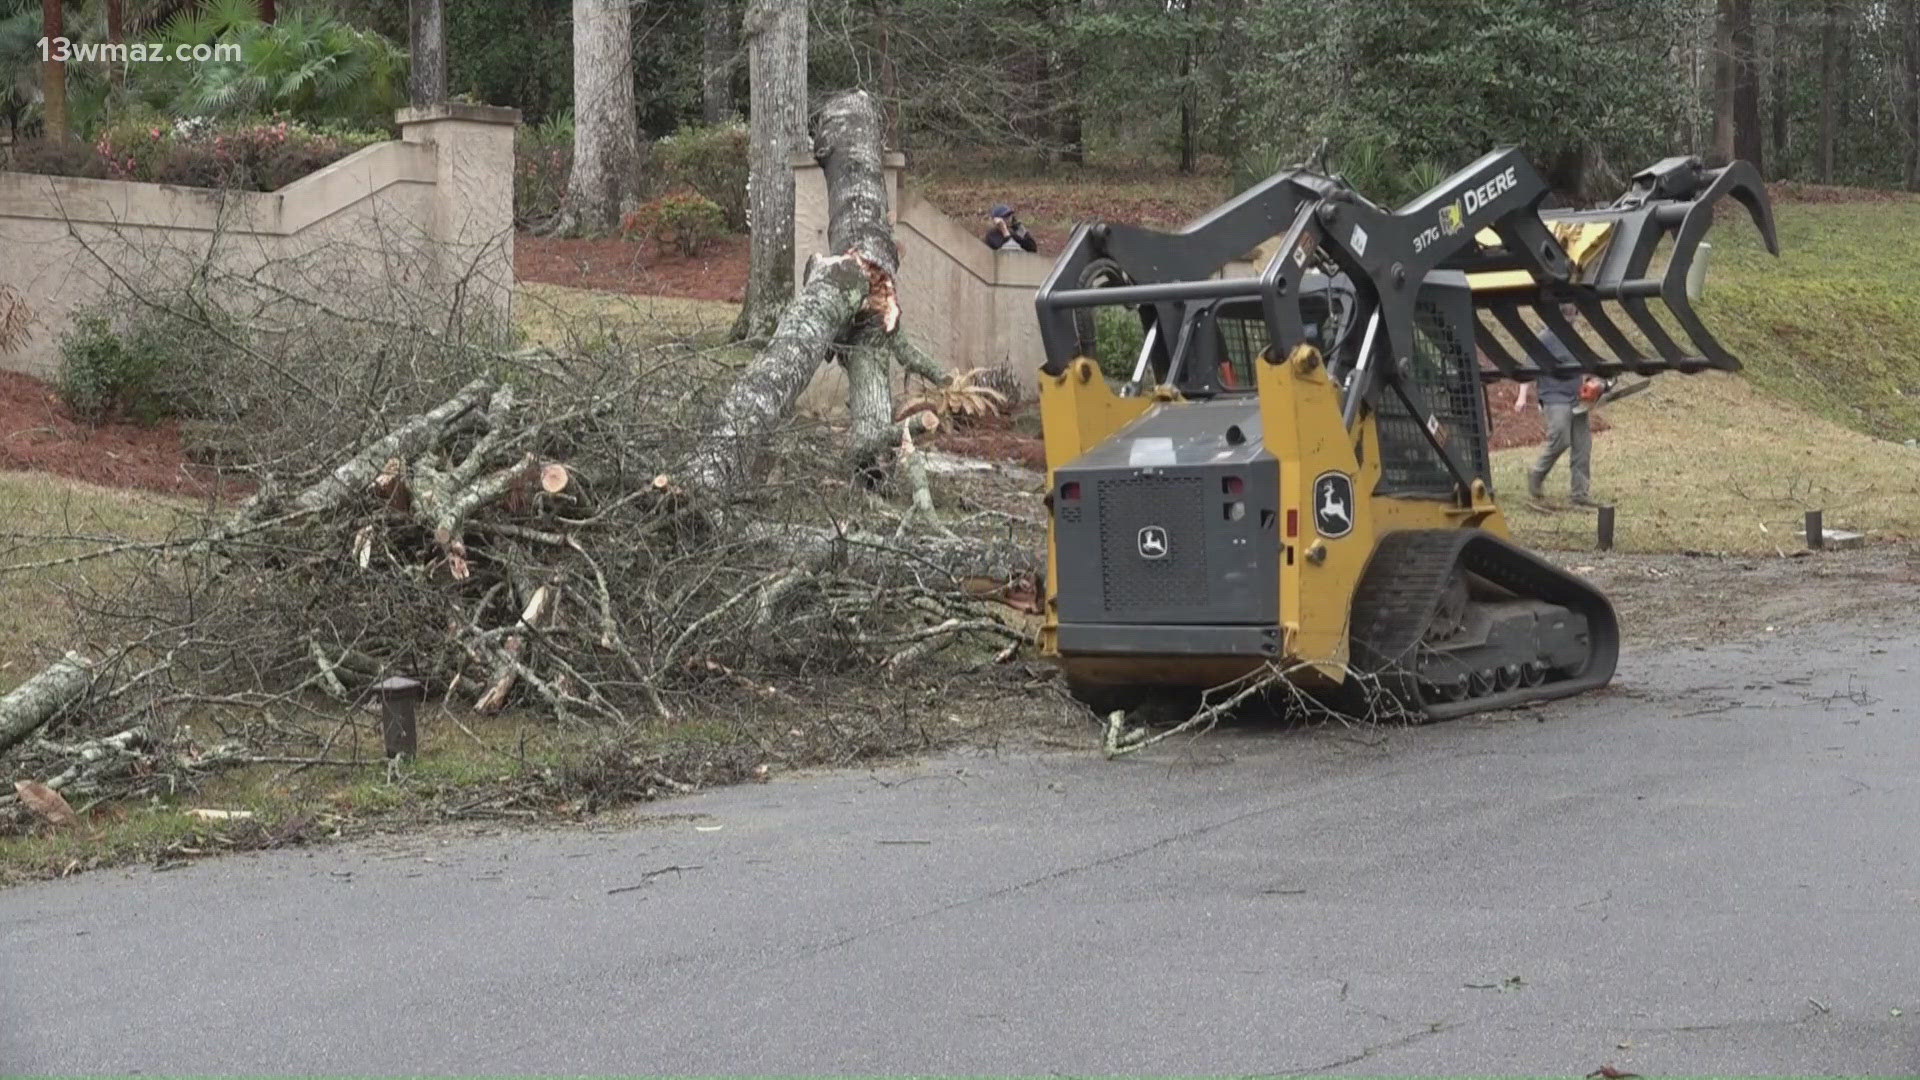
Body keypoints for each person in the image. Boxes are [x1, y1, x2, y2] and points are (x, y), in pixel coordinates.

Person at [1512, 305, 1606, 507]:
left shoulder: (1575, 338)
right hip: (1554, 397)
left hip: (1577, 397)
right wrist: (1522, 397)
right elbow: (1528, 370)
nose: (1569, 315)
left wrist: (1595, 383)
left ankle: (1580, 495)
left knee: (1583, 446)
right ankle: (1537, 474)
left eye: (1572, 311)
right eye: (1564, 312)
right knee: (1561, 438)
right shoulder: (1544, 339)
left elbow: (1586, 366)